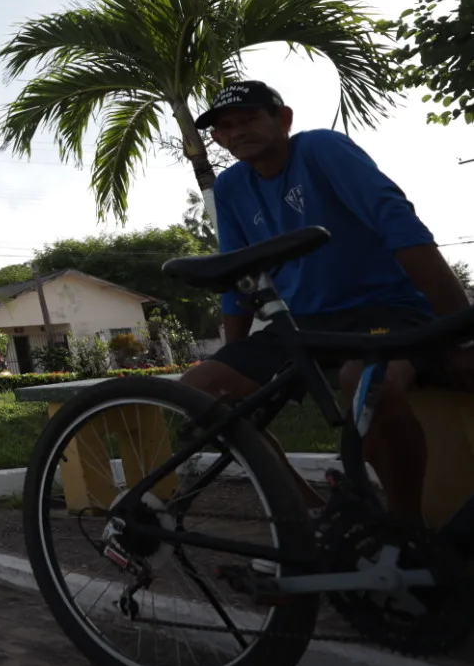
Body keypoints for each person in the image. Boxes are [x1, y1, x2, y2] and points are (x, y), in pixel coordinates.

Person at [181, 80, 472, 526]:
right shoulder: (232, 187)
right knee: (197, 391)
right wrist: (231, 358)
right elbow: (238, 279)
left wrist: (458, 333)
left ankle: (404, 532)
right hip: (301, 323)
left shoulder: (322, 150)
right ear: (218, 139)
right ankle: (308, 516)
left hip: (383, 307)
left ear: (283, 119)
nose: (237, 132)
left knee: (367, 382)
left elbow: (400, 226)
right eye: (226, 128)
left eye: (249, 119)